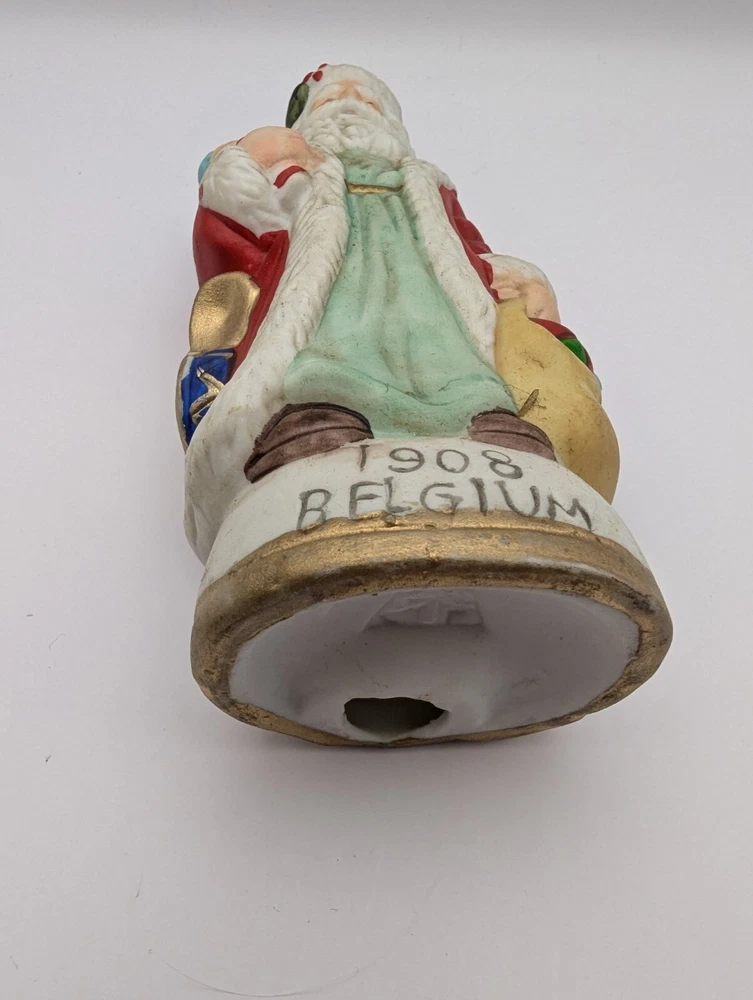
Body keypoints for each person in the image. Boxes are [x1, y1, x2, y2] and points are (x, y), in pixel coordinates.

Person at [184, 63, 593, 539]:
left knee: (446, 350)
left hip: (426, 281)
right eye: (333, 99)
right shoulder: (301, 177)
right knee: (338, 339)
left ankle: (484, 420)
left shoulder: (426, 181)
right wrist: (243, 166)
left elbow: (468, 245)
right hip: (334, 276)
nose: (352, 103)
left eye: (369, 100)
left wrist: (507, 275)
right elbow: (236, 236)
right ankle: (321, 419)